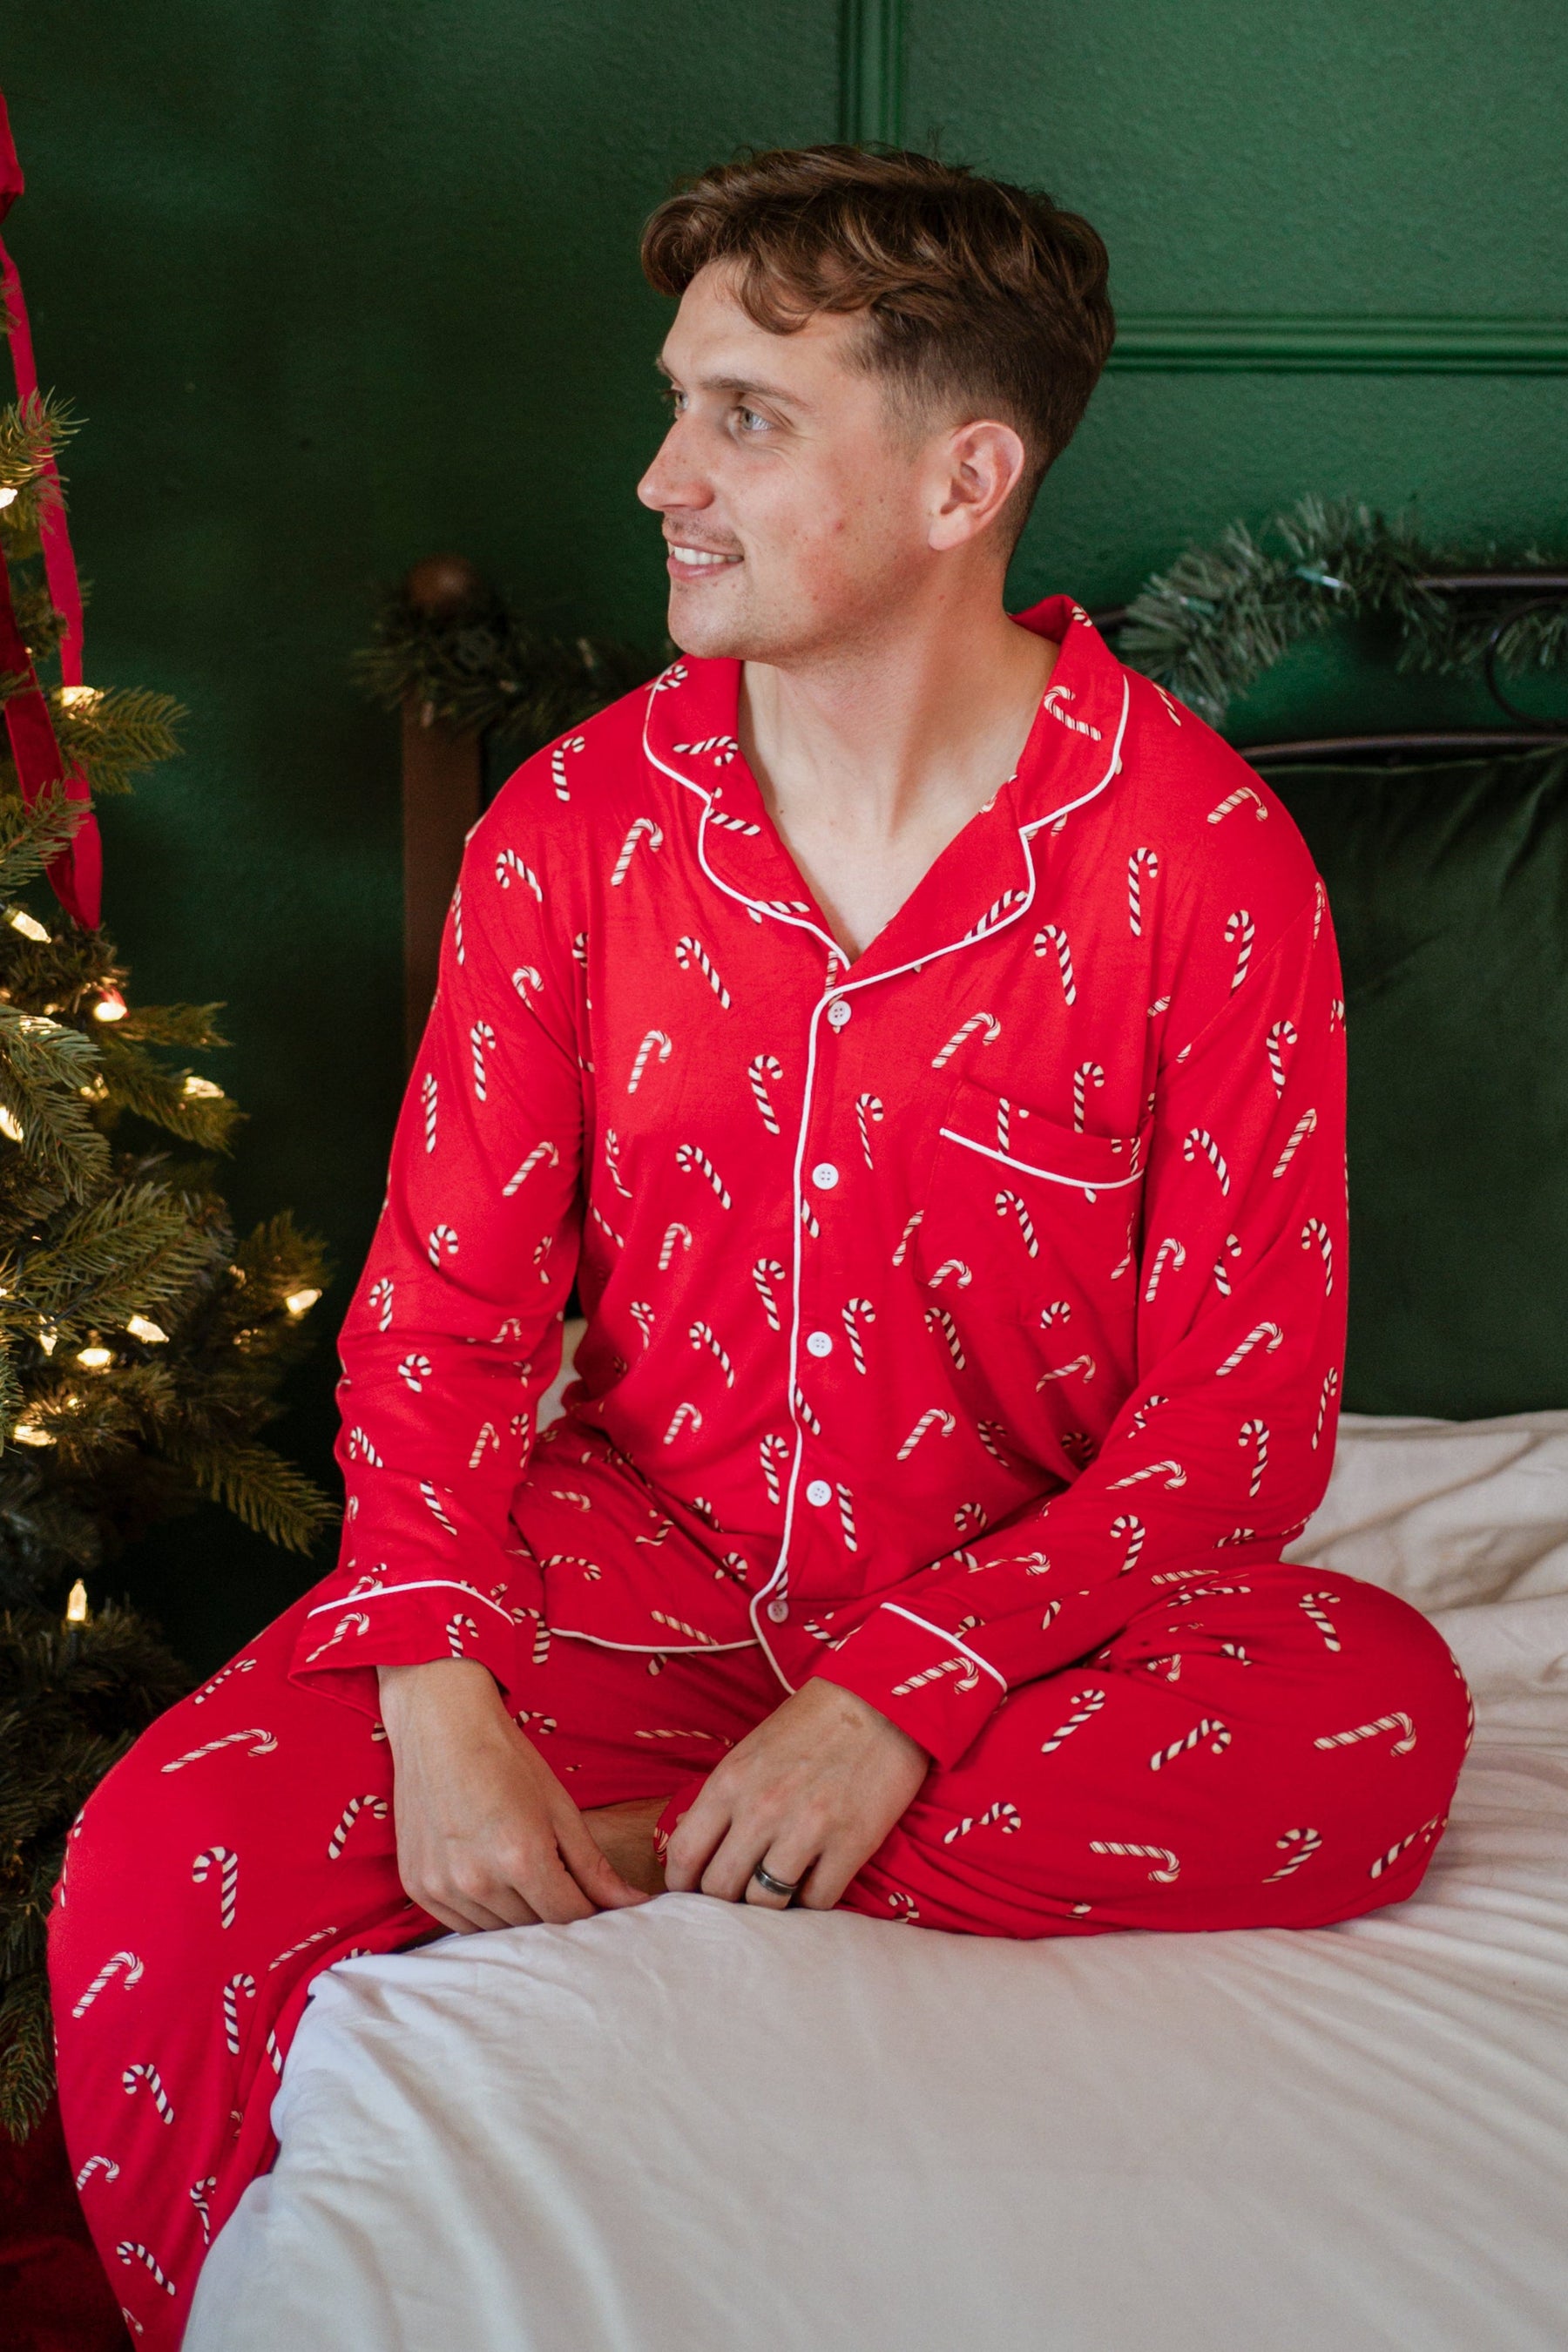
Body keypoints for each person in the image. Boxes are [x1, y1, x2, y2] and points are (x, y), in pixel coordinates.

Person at [51, 144, 1470, 2345]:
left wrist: (901, 1697)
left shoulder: (1202, 862)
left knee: (1377, 1722)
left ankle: (650, 1854)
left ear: (961, 476)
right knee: (153, 1861)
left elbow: (1240, 1421)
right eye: (678, 401)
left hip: (1037, 1623)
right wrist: (438, 1693)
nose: (659, 479)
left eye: (745, 417)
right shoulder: (577, 830)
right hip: (638, 1568)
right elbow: (440, 1317)